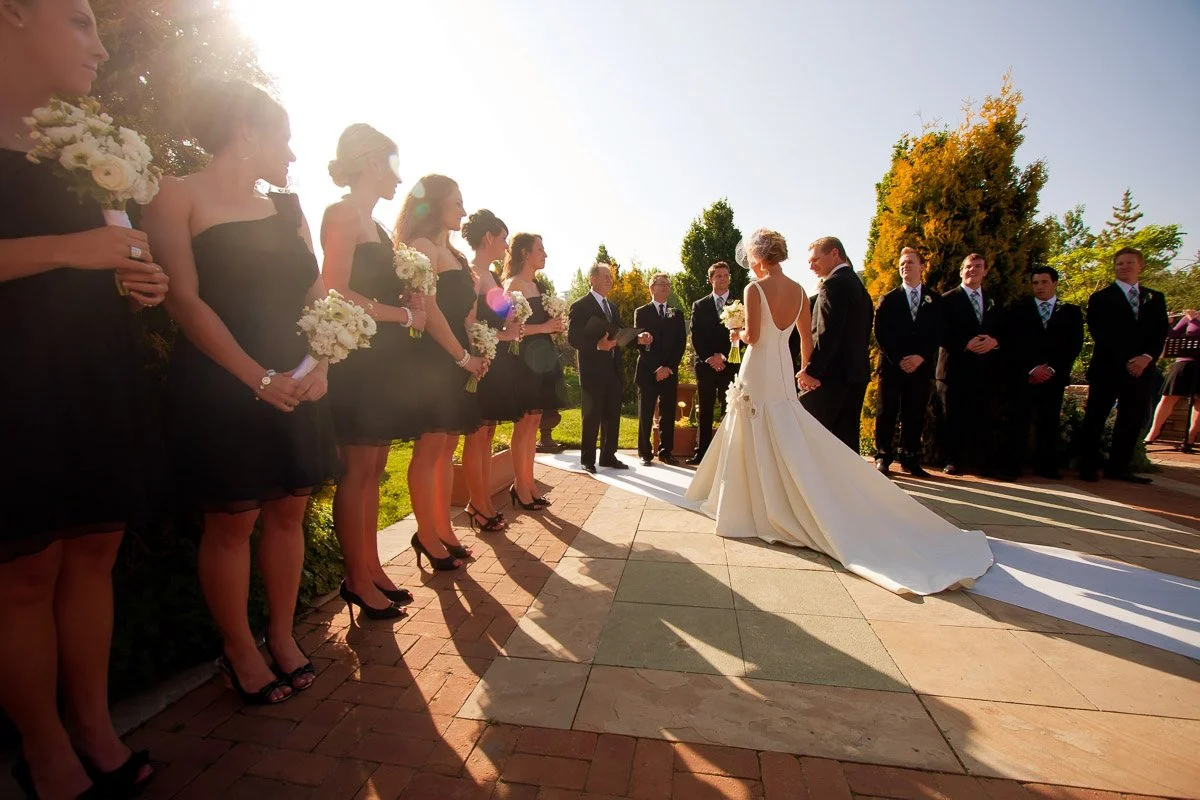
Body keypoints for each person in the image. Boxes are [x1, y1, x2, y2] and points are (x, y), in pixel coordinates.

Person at [0, 0, 168, 794]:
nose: (100, 48)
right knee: (26, 569)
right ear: (14, 13)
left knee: (95, 550)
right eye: (80, 21)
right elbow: (81, 249)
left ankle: (95, 724)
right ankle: (42, 747)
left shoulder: (85, 149)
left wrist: (141, 277)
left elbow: (118, 246)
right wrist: (76, 250)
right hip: (14, 375)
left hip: (94, 367)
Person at [144, 81, 342, 704]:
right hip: (221, 379)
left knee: (289, 508)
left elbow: (316, 299)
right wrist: (254, 376)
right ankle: (238, 649)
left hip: (297, 379)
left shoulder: (290, 209)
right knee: (234, 519)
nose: (290, 152)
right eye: (282, 137)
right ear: (247, 132)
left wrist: (323, 365)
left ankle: (281, 635)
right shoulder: (174, 196)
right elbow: (182, 297)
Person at [686, 229, 993, 596]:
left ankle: (751, 505)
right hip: (783, 368)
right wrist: (804, 369)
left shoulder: (754, 290)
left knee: (752, 427)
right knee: (783, 427)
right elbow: (806, 337)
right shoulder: (801, 290)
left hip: (757, 367)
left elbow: (753, 336)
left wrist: (735, 329)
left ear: (758, 256)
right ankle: (771, 497)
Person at [320, 124, 417, 619]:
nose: (399, 178)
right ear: (373, 162)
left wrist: (405, 301)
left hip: (381, 364)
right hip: (356, 363)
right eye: (394, 165)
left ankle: (372, 565)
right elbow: (331, 288)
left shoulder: (378, 228)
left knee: (375, 472)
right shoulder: (342, 214)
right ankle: (356, 577)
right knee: (357, 473)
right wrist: (400, 314)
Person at [393, 175, 488, 569]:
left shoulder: (456, 256)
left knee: (447, 449)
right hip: (435, 361)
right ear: (433, 204)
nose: (463, 211)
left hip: (459, 358)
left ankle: (445, 529)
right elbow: (428, 312)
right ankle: (426, 534)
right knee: (430, 450)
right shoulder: (422, 247)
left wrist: (480, 348)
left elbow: (466, 314)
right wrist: (462, 357)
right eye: (456, 202)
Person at [1078, 247, 1170, 482]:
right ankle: (1087, 465)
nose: (1124, 267)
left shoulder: (1155, 298)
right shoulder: (1101, 297)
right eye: (1119, 263)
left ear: (1141, 266)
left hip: (1142, 368)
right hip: (1108, 367)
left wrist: (1146, 358)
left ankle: (1118, 466)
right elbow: (1100, 332)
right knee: (1096, 417)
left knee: (1131, 418)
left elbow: (1160, 332)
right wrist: (1128, 359)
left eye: (1129, 263)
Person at [461, 210, 521, 530]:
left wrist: (515, 320)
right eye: (503, 238)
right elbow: (469, 324)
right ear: (488, 238)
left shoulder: (494, 278)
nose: (506, 245)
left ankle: (481, 501)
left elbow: (502, 317)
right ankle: (478, 504)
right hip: (480, 364)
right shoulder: (470, 274)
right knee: (477, 435)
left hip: (497, 365)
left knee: (488, 434)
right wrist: (503, 335)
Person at [567, 263, 651, 473]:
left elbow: (618, 336)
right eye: (605, 276)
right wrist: (597, 345)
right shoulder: (580, 305)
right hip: (592, 370)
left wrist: (637, 340)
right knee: (592, 415)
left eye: (611, 277)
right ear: (592, 278)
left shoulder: (612, 307)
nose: (610, 280)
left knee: (612, 414)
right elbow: (573, 338)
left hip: (613, 368)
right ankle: (588, 460)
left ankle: (608, 456)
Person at [503, 233, 567, 508]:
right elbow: (506, 329)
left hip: (541, 357)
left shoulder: (534, 285)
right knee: (524, 423)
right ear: (524, 254)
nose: (545, 254)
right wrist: (543, 327)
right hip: (523, 362)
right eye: (540, 249)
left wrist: (554, 324)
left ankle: (528, 482)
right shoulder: (513, 285)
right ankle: (520, 485)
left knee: (534, 422)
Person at [1002, 267, 1084, 479]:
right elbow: (1012, 343)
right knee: (1018, 421)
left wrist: (1052, 368)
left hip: (1053, 377)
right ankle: (1013, 466)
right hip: (1024, 376)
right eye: (1035, 283)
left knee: (1049, 422)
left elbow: (1073, 345)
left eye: (1044, 282)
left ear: (1054, 283)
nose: (1039, 287)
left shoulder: (1070, 312)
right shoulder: (1019, 310)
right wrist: (1032, 368)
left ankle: (1046, 466)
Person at [797, 236, 873, 451]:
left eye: (815, 260)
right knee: (845, 442)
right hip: (856, 374)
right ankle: (848, 484)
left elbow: (828, 334)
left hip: (832, 378)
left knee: (807, 434)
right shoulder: (860, 288)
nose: (811, 266)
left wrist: (812, 370)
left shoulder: (833, 285)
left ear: (834, 254)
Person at [872, 247, 943, 477]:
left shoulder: (934, 300)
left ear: (921, 267)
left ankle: (910, 458)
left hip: (920, 367)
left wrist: (921, 356)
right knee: (887, 412)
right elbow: (881, 332)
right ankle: (883, 456)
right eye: (902, 264)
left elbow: (937, 332)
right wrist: (899, 358)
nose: (905, 266)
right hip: (893, 366)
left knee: (915, 412)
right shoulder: (889, 299)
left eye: (910, 263)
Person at [937, 253, 1004, 476]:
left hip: (984, 369)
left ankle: (982, 461)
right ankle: (952, 459)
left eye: (977, 266)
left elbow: (1007, 330)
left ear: (985, 271)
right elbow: (939, 333)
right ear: (961, 271)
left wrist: (995, 341)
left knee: (983, 416)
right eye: (967, 266)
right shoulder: (946, 300)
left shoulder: (995, 300)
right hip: (954, 368)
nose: (972, 270)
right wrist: (964, 344)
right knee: (953, 417)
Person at [688, 262, 739, 465]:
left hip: (729, 365)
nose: (723, 279)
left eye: (726, 275)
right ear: (710, 279)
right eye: (718, 276)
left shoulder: (738, 305)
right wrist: (710, 358)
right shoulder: (700, 305)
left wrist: (723, 357)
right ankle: (702, 453)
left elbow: (740, 335)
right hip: (706, 365)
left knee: (730, 409)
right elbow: (696, 335)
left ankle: (729, 453)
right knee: (706, 409)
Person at [634, 273, 686, 466]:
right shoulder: (642, 312)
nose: (665, 287)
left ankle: (666, 452)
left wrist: (669, 367)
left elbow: (680, 343)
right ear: (651, 288)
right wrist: (656, 367)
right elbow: (641, 344)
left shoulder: (677, 313)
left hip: (669, 372)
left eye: (667, 284)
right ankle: (645, 452)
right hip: (648, 371)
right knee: (646, 413)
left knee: (668, 413)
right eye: (661, 284)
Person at [1145, 310, 1200, 447]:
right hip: (1185, 362)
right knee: (1167, 397)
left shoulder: (1192, 318)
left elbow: (1194, 333)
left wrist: (1193, 320)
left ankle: (1190, 437)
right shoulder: (1191, 316)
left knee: (1199, 400)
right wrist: (1167, 324)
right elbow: (1172, 335)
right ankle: (1153, 432)